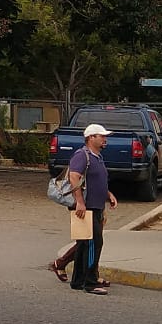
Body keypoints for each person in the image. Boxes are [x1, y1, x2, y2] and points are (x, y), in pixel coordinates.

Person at [66, 123, 118, 295]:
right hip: (86, 208)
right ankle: (90, 282)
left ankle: (78, 280)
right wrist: (80, 202)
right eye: (101, 136)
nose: (105, 139)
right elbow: (74, 177)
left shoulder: (97, 157)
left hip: (96, 206)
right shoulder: (82, 155)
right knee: (93, 244)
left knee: (83, 244)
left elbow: (97, 181)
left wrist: (108, 194)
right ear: (90, 138)